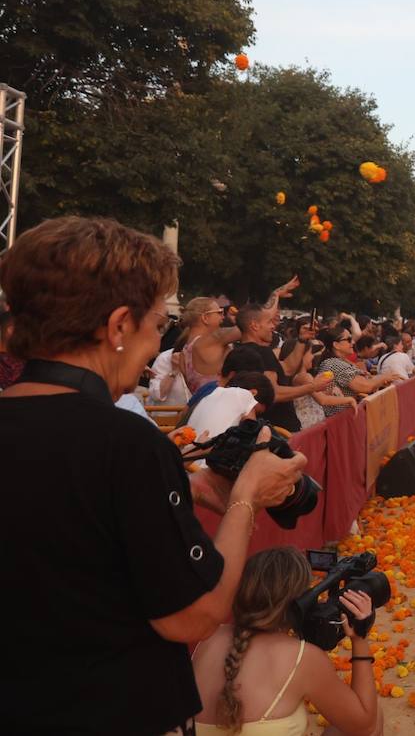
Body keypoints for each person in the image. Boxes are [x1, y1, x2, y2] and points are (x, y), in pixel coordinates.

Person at [1, 216, 306, 735]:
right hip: (107, 709)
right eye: (156, 324)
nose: (153, 344)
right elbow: (193, 614)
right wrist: (246, 497)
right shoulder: (125, 444)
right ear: (119, 325)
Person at [192, 548, 381, 736]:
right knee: (373, 717)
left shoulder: (208, 637)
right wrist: (359, 639)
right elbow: (364, 726)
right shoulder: (302, 657)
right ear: (299, 603)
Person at [234, 303, 336, 433]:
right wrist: (313, 386)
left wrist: (302, 340)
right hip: (278, 430)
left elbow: (287, 369)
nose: (273, 326)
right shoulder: (262, 352)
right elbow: (274, 393)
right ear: (254, 325)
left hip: (263, 428)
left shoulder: (237, 352)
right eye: (269, 322)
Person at [316, 328, 395, 417]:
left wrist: (379, 382)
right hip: (340, 420)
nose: (353, 342)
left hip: (343, 418)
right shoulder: (335, 364)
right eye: (348, 340)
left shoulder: (338, 361)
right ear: (336, 345)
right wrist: (383, 377)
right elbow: (365, 386)